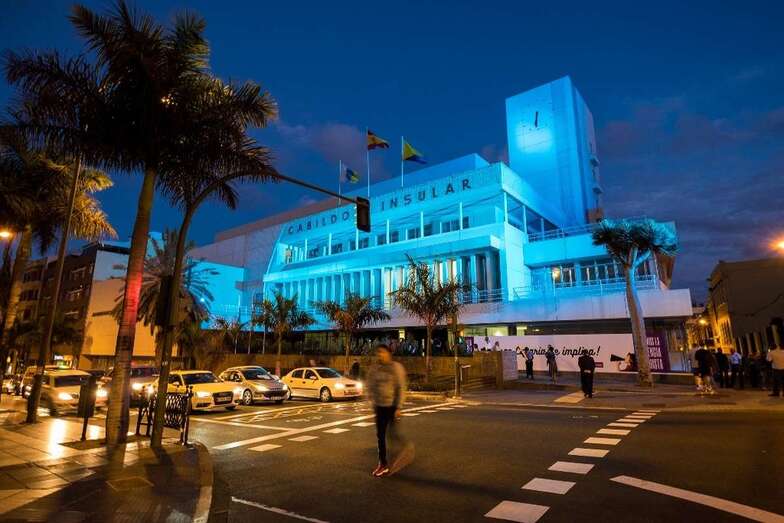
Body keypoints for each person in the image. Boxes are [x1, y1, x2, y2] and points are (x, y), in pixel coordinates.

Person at [367, 344, 413, 477]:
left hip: (391, 406)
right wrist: (370, 401)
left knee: (392, 434)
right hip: (379, 406)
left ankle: (405, 447)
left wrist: (398, 407)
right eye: (378, 353)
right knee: (380, 436)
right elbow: (370, 385)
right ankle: (383, 464)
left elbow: (401, 387)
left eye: (382, 352)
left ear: (389, 353)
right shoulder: (375, 369)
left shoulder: (396, 368)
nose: (380, 355)